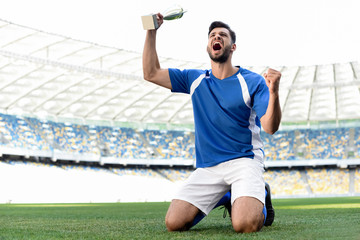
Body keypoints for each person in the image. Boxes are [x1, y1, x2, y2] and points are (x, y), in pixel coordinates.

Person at [142, 13, 281, 233]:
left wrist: (273, 93)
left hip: (244, 161)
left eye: (223, 35)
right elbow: (150, 73)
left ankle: (260, 194)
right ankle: (227, 195)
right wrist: (152, 32)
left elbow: (270, 127)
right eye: (212, 35)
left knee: (244, 225)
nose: (217, 37)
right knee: (174, 223)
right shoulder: (195, 79)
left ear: (232, 47)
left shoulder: (252, 81)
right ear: (208, 46)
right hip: (209, 167)